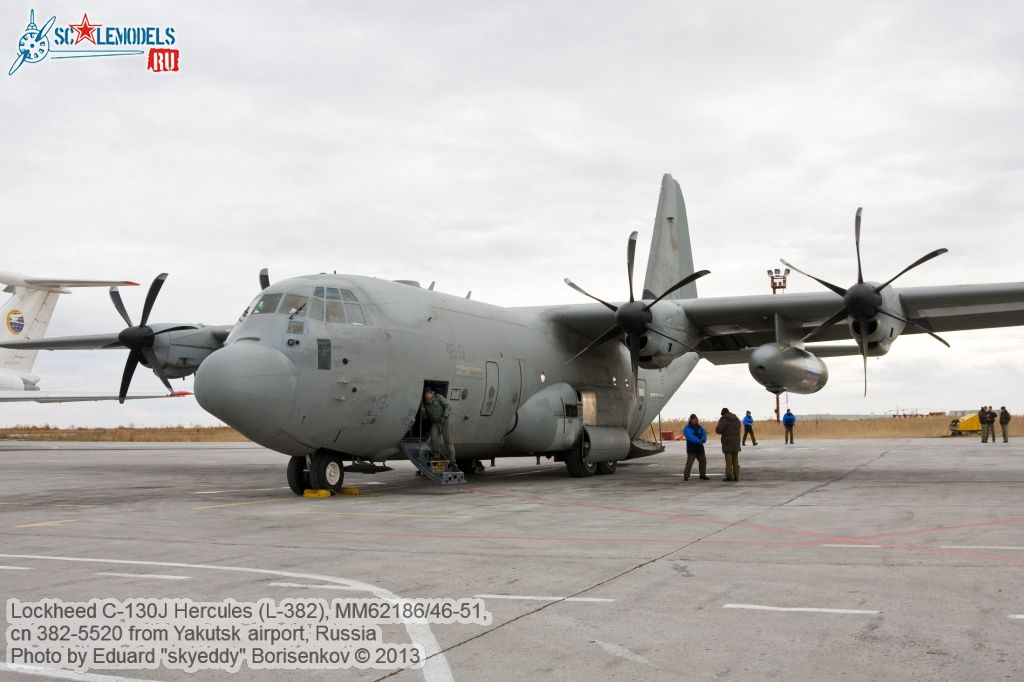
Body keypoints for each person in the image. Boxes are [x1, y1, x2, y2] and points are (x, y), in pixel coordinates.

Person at [421, 389, 456, 468]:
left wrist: (445, 415)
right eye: (426, 395)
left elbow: (447, 406)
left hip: (444, 421)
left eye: (429, 394)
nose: (428, 396)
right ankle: (436, 456)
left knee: (448, 440)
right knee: (433, 439)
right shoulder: (425, 404)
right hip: (435, 423)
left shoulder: (438, 397)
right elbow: (425, 417)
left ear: (431, 393)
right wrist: (422, 408)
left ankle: (452, 460)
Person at [715, 407, 742, 482]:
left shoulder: (724, 419)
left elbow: (718, 430)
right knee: (735, 460)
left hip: (727, 443)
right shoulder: (737, 419)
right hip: (736, 442)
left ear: (723, 414)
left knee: (729, 461)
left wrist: (719, 422)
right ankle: (736, 476)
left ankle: (729, 476)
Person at [682, 414, 709, 481]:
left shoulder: (700, 427)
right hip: (692, 448)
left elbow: (704, 434)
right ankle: (686, 476)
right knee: (690, 462)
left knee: (703, 461)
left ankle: (703, 475)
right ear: (690, 420)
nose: (695, 420)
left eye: (696, 419)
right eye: (693, 419)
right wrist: (698, 441)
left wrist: (703, 439)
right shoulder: (687, 428)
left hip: (700, 447)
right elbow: (689, 436)